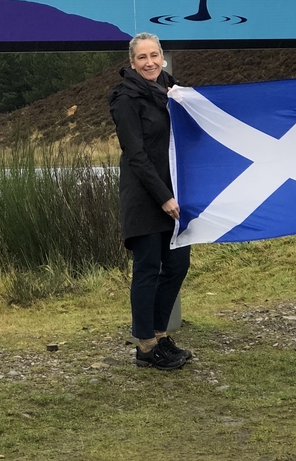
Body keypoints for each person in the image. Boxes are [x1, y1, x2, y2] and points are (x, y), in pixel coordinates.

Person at [108, 33, 192, 371]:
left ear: (162, 57)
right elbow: (137, 155)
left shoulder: (173, 92)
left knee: (177, 266)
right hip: (145, 197)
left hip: (175, 195)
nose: (150, 62)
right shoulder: (124, 98)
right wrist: (164, 198)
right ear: (132, 63)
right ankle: (145, 346)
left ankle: (160, 335)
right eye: (142, 57)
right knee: (147, 269)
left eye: (154, 55)